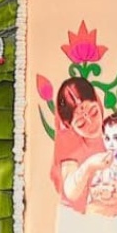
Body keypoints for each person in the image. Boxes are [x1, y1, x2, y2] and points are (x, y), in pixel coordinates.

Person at [49, 77, 104, 211]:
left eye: (94, 112)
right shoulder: (68, 142)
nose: (91, 124)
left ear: (98, 103)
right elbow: (71, 192)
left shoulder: (115, 127)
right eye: (81, 123)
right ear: (70, 126)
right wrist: (89, 167)